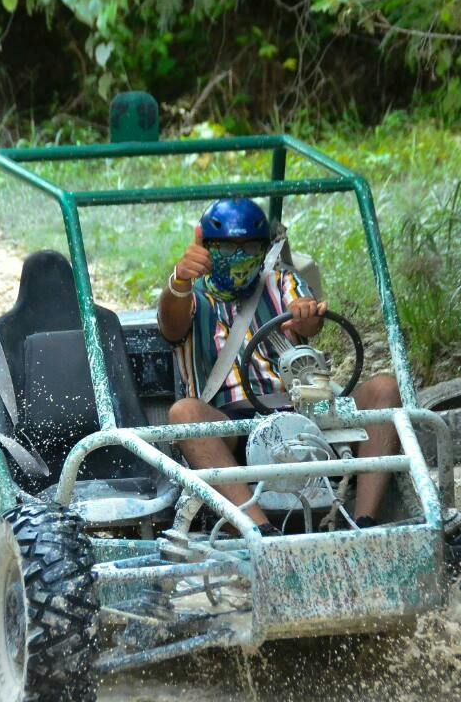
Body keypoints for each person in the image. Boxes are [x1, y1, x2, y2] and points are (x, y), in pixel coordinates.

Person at [158, 197, 402, 531]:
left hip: (305, 413)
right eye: (228, 249)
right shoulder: (189, 296)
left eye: (250, 248)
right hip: (232, 426)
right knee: (183, 413)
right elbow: (170, 326)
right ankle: (261, 532)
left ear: (264, 249)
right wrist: (180, 280)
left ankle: (366, 522)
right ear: (207, 247)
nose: (240, 257)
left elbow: (308, 321)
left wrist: (304, 315)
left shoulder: (279, 281)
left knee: (384, 389)